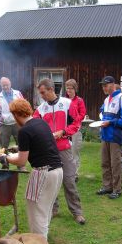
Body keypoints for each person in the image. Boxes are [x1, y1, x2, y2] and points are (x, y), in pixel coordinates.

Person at [0, 98, 63, 239]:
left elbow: (22, 160)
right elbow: (40, 144)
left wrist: (5, 158)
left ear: (16, 114)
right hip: (57, 171)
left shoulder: (24, 131)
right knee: (45, 209)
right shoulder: (41, 123)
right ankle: (42, 242)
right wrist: (19, 148)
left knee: (36, 212)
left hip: (42, 172)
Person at [34, 78, 86, 225]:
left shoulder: (67, 104)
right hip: (48, 151)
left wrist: (63, 132)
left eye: (43, 92)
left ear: (51, 90)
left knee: (69, 180)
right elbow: (34, 126)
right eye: (40, 93)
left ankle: (77, 212)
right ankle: (53, 209)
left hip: (64, 148)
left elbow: (76, 124)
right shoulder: (41, 109)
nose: (42, 96)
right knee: (51, 181)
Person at [96, 76, 122, 199]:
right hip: (105, 135)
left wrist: (110, 122)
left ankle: (117, 189)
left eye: (105, 85)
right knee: (105, 162)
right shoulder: (107, 100)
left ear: (113, 84)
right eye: (102, 86)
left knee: (115, 164)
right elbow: (102, 112)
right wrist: (103, 119)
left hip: (116, 136)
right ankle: (107, 186)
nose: (103, 88)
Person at [65, 79, 87, 181]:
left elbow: (82, 114)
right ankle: (67, 173)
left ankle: (75, 174)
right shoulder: (63, 100)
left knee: (74, 152)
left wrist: (74, 119)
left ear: (75, 89)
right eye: (67, 88)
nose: (68, 90)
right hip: (65, 130)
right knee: (65, 152)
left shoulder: (79, 100)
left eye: (71, 88)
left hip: (75, 130)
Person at [0, 77, 24, 148]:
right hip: (5, 125)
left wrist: (24, 121)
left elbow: (24, 106)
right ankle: (5, 159)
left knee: (22, 144)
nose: (5, 87)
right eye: (3, 85)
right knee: (4, 147)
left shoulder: (18, 93)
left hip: (18, 123)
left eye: (7, 85)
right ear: (1, 86)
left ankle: (21, 158)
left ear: (10, 84)